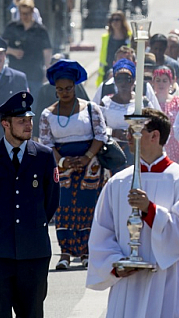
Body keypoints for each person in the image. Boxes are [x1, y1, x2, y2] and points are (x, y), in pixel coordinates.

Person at [87, 108, 179, 317]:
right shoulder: (118, 182)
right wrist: (115, 264)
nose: (127, 137)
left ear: (155, 136)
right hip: (127, 283)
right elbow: (102, 233)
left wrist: (150, 210)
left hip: (165, 280)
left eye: (134, 131)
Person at [0, 91, 60, 318]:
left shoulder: (44, 157)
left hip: (34, 252)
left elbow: (52, 200)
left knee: (32, 313)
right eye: (21, 121)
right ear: (5, 124)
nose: (28, 126)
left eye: (30, 120)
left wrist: (32, 224)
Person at [38, 60, 109, 270]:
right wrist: (62, 161)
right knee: (64, 207)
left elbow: (101, 135)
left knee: (88, 206)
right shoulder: (47, 114)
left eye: (68, 88)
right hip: (62, 166)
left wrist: (87, 157)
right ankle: (66, 253)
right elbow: (46, 143)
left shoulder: (91, 109)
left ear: (75, 86)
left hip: (90, 164)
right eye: (60, 89)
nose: (64, 93)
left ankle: (87, 252)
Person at [100, 59, 156, 166]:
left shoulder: (143, 102)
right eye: (119, 79)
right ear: (114, 81)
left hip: (139, 151)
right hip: (113, 153)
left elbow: (155, 124)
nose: (123, 83)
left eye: (128, 79)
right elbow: (97, 128)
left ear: (134, 80)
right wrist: (113, 132)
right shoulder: (105, 103)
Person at [2, 0, 52, 87]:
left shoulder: (41, 30)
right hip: (15, 75)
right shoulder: (12, 27)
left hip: (35, 76)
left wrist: (47, 73)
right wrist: (12, 51)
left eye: (27, 13)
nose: (24, 16)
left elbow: (47, 53)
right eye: (22, 13)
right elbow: (1, 47)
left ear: (32, 12)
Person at [151, 66, 179, 165]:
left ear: (171, 83)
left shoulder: (178, 103)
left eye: (164, 81)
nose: (161, 84)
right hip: (154, 147)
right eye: (158, 80)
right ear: (153, 82)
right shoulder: (148, 102)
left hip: (174, 150)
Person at [98, 11, 131, 86]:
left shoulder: (129, 37)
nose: (114, 22)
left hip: (124, 70)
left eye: (117, 19)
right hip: (107, 71)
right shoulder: (105, 37)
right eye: (112, 20)